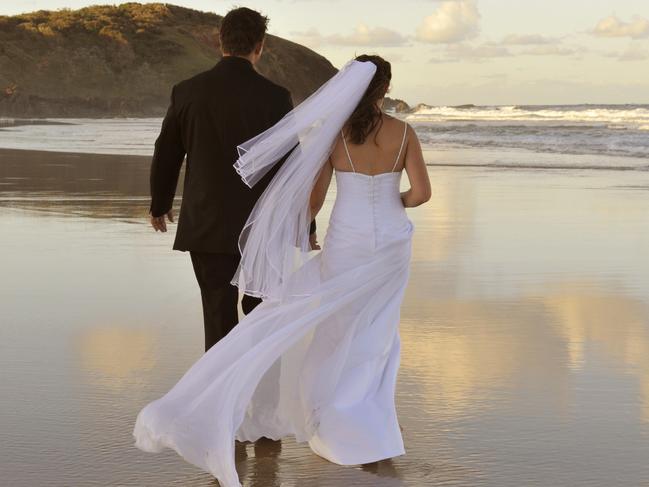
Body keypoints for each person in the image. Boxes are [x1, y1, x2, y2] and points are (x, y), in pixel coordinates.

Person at [134, 54, 431, 487]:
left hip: (347, 242)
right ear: (384, 90)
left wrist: (303, 232)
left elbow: (312, 200)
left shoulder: (337, 136)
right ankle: (370, 423)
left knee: (333, 328)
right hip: (389, 245)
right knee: (378, 332)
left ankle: (324, 414)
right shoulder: (405, 133)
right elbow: (421, 194)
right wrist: (391, 201)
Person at [148, 7, 316, 352]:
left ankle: (219, 394)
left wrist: (159, 205)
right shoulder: (275, 97)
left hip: (207, 223)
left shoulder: (188, 91)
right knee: (263, 314)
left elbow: (167, 152)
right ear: (260, 45)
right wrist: (307, 224)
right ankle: (260, 390)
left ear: (219, 41)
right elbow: (292, 168)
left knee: (217, 313)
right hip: (263, 226)